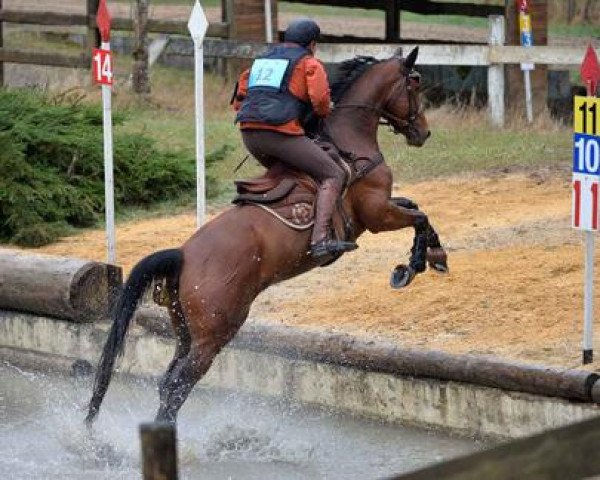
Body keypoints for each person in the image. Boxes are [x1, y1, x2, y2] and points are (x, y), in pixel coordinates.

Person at [232, 18, 357, 259]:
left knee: (295, 171)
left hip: (249, 134)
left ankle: (291, 219)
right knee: (333, 173)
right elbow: (321, 103)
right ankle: (321, 240)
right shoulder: (309, 63)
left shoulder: (259, 62)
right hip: (280, 134)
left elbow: (239, 100)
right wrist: (320, 113)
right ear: (312, 44)